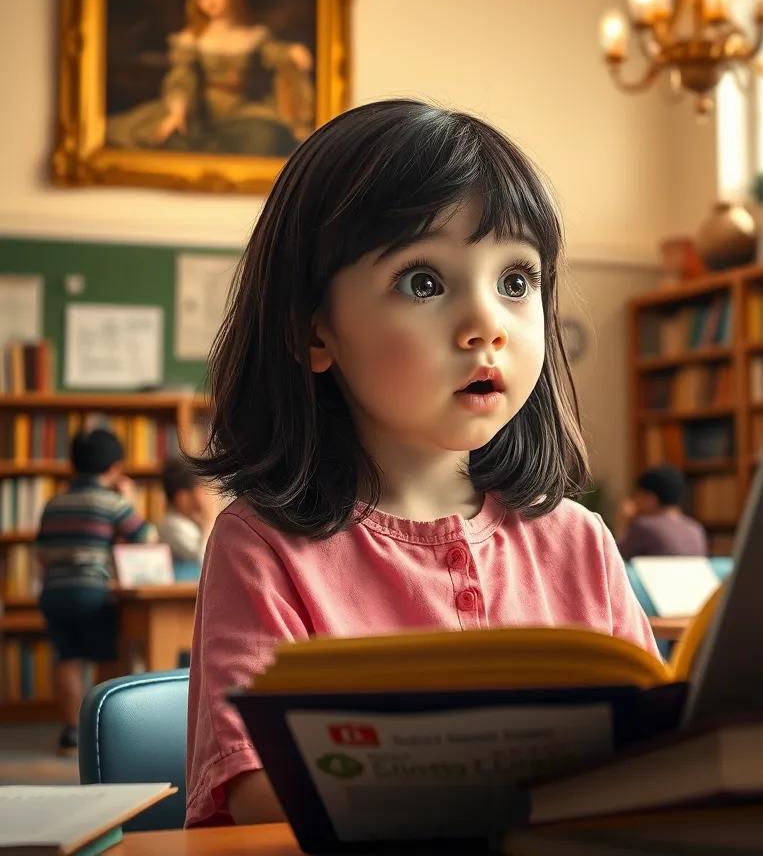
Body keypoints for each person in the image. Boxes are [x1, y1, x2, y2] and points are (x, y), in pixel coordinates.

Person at [184, 100, 661, 828]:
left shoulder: (580, 542)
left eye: (516, 280)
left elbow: (656, 758)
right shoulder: (260, 546)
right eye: (424, 283)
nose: (487, 326)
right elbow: (256, 793)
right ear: (315, 331)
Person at [106, 0, 314, 157]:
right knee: (171, 135)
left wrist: (292, 51)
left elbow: (273, 52)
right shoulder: (190, 39)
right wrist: (178, 111)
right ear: (196, 2)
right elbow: (182, 78)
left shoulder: (254, 35)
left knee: (268, 136)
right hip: (198, 109)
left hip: (240, 111)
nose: (210, 1)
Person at [35, 428, 156, 755]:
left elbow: (41, 553)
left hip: (54, 592)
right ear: (114, 467)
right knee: (106, 657)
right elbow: (144, 538)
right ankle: (100, 730)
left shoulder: (54, 503)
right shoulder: (112, 502)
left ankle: (72, 733)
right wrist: (129, 499)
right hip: (92, 591)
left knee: (68, 658)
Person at [616, 465, 708, 560]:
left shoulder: (644, 526)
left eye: (638, 495)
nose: (634, 500)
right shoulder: (696, 528)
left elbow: (616, 557)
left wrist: (623, 521)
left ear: (651, 498)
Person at [157, 457, 217, 570]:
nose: (206, 497)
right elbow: (205, 560)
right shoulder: (172, 526)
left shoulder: (190, 522)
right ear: (182, 498)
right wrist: (209, 520)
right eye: (201, 489)